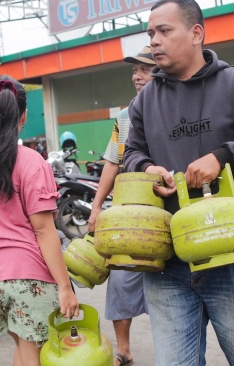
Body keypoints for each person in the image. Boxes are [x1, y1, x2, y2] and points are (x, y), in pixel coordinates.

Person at [122, 0, 234, 364]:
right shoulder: (145, 101)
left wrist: (222, 157)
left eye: (164, 31)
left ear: (196, 33)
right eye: (151, 33)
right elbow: (131, 154)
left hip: (229, 253)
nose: (154, 41)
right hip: (167, 261)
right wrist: (147, 168)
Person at [0, 75, 79, 366]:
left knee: (24, 347)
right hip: (26, 276)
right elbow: (44, 230)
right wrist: (64, 287)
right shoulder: (32, 161)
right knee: (37, 352)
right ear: (22, 115)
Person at [87, 45, 155, 366]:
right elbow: (112, 162)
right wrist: (97, 206)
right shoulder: (125, 116)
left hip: (164, 208)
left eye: (146, 69)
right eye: (135, 70)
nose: (138, 76)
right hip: (128, 209)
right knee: (120, 276)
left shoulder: (171, 108)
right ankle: (124, 349)